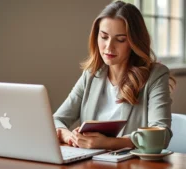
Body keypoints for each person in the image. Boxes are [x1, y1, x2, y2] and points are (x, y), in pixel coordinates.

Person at [53, 1, 175, 150]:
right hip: (92, 163)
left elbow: (161, 135)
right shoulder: (91, 75)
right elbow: (56, 119)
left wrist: (109, 143)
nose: (109, 47)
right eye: (104, 37)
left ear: (134, 42)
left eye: (120, 39)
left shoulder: (155, 75)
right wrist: (67, 135)